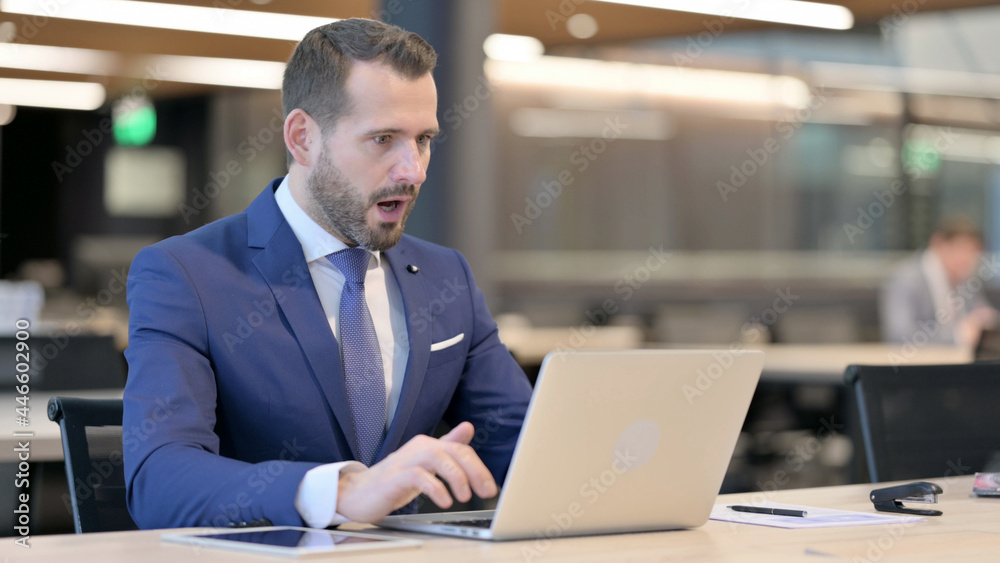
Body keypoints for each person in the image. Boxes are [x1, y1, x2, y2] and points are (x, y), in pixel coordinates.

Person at [123, 18, 532, 529]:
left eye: (423, 139)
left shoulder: (444, 275)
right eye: (383, 139)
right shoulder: (188, 274)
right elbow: (159, 481)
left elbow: (527, 446)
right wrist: (341, 490)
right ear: (302, 138)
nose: (414, 170)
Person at [880, 217, 997, 346]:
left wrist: (985, 318)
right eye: (962, 249)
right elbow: (899, 336)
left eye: (974, 252)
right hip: (922, 363)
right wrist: (957, 336)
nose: (968, 259)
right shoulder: (905, 280)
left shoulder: (966, 279)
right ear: (939, 244)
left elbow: (979, 313)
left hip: (959, 360)